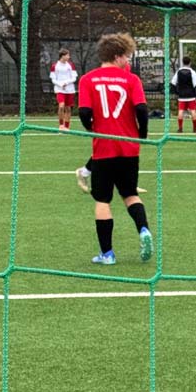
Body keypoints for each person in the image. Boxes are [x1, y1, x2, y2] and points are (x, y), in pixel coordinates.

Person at [77, 32, 153, 266]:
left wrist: (92, 129)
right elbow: (142, 109)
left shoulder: (87, 79)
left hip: (104, 147)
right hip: (129, 147)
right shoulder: (131, 80)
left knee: (102, 200)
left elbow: (84, 112)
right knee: (130, 194)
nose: (128, 61)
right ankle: (143, 230)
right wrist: (142, 134)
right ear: (117, 56)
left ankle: (107, 254)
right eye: (127, 56)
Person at [50, 49, 78, 131]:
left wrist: (66, 83)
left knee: (68, 108)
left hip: (70, 90)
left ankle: (67, 127)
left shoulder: (71, 65)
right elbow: (53, 79)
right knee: (61, 106)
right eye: (67, 55)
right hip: (60, 90)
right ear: (62, 56)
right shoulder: (54, 66)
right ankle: (61, 125)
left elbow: (74, 78)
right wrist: (60, 84)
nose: (69, 57)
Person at [171, 55, 196, 133]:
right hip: (191, 95)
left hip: (181, 95)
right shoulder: (192, 72)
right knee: (193, 111)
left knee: (180, 111)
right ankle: (195, 128)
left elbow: (173, 83)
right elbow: (195, 85)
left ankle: (180, 128)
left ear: (183, 62)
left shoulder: (178, 71)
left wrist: (176, 92)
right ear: (190, 63)